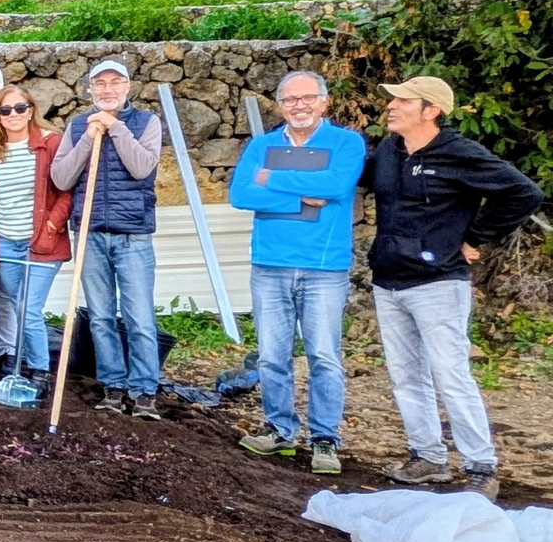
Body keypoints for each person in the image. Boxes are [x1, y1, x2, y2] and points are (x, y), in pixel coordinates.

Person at [366, 76, 541, 501]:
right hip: (388, 281)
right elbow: (346, 180)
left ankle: (481, 466)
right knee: (407, 375)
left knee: (450, 373)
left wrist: (475, 237)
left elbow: (524, 193)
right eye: (392, 100)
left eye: (403, 100)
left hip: (438, 284)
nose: (392, 106)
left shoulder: (458, 152)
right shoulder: (388, 152)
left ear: (431, 110)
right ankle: (427, 457)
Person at [227, 71, 366, 475]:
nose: (299, 106)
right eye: (290, 100)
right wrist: (303, 196)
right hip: (269, 265)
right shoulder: (263, 145)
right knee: (272, 355)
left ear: (324, 101)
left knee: (324, 354)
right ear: (280, 105)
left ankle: (325, 438)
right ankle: (279, 429)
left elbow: (337, 186)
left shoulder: (345, 142)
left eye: (308, 98)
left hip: (323, 267)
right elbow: (241, 194)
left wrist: (274, 180)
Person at [50, 59, 165, 420]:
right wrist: (88, 136)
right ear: (90, 89)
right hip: (91, 234)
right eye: (100, 84)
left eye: (115, 83)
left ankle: (144, 391)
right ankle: (113, 386)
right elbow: (61, 177)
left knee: (140, 317)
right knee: (100, 316)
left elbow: (142, 167)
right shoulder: (78, 125)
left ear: (128, 87)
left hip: (132, 236)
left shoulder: (147, 122)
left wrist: (115, 128)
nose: (107, 90)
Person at [0, 85, 72, 383]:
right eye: (5, 110)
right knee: (16, 304)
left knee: (29, 308)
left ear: (30, 111)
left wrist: (52, 226)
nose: (12, 115)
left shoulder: (50, 144)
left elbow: (66, 193)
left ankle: (39, 370)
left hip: (41, 244)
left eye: (19, 108)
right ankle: (20, 364)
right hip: (6, 241)